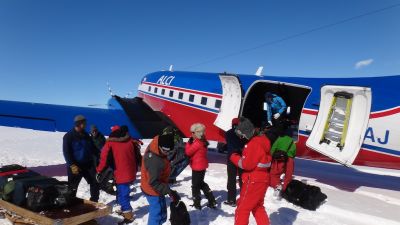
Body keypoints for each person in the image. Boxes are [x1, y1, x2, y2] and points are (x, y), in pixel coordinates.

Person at [230, 117, 272, 225]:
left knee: (242, 208)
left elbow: (246, 165)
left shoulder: (253, 144)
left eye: (241, 135)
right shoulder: (264, 140)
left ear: (246, 133)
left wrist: (234, 157)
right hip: (263, 179)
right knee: (258, 207)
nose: (241, 138)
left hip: (253, 180)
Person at [96, 125, 138, 224]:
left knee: (123, 196)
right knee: (121, 192)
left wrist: (99, 170)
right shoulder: (129, 140)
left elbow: (103, 158)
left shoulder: (110, 143)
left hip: (121, 173)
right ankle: (124, 210)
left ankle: (129, 216)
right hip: (130, 171)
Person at [141, 133, 181, 225]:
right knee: (157, 213)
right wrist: (169, 191)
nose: (167, 153)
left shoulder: (155, 146)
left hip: (154, 186)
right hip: (152, 190)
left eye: (169, 151)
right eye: (165, 150)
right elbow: (154, 182)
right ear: (159, 146)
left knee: (160, 210)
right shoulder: (155, 161)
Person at [62, 115, 100, 202]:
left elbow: (93, 148)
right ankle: (70, 202)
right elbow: (66, 153)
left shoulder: (86, 135)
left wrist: (101, 155)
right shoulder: (68, 136)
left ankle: (94, 201)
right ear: (79, 124)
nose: (86, 124)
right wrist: (72, 165)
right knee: (72, 186)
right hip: (75, 166)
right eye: (84, 123)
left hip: (88, 164)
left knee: (95, 182)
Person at [185, 123, 217, 210]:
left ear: (197, 133)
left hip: (197, 166)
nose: (191, 134)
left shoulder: (197, 143)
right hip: (202, 165)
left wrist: (188, 143)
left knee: (195, 185)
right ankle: (211, 200)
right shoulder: (203, 141)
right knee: (201, 183)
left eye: (192, 132)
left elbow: (188, 152)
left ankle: (197, 203)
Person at [224, 118, 244, 207]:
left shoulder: (227, 133)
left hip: (231, 158)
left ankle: (231, 200)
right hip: (241, 158)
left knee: (231, 179)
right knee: (242, 178)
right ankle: (244, 198)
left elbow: (229, 144)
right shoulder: (243, 134)